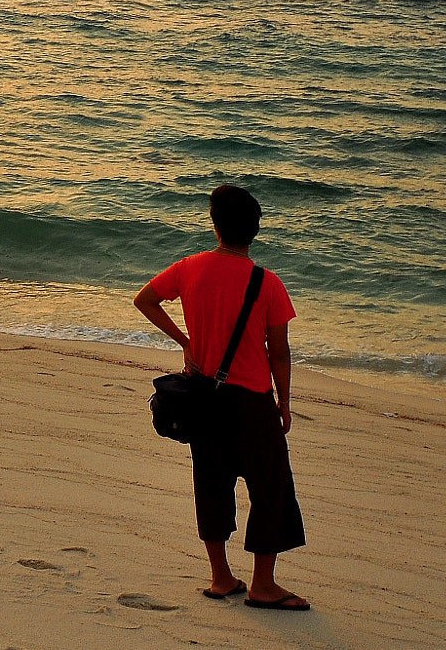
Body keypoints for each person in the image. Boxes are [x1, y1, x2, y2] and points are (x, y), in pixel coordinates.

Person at [133, 184, 310, 611]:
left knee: (211, 481)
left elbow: (146, 300)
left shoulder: (190, 268)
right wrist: (284, 402)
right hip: (250, 399)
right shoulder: (267, 283)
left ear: (215, 226)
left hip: (204, 397)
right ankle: (263, 585)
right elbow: (279, 352)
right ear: (255, 231)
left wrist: (186, 341)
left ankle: (221, 577)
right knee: (271, 487)